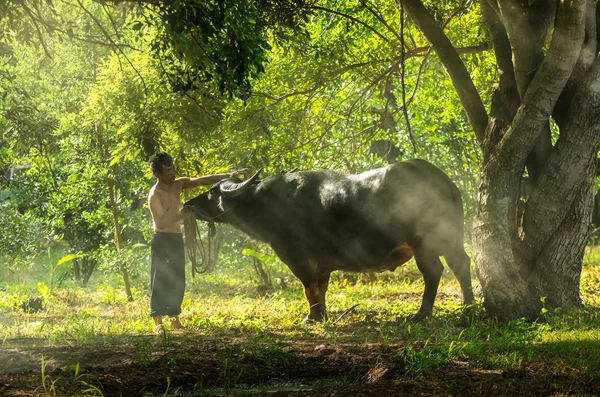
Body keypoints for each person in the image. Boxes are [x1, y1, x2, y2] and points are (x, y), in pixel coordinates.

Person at [147, 152, 247, 331]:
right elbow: (160, 223)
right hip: (163, 240)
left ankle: (174, 317)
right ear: (157, 174)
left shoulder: (178, 184)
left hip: (177, 238)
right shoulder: (155, 194)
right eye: (167, 171)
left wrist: (229, 176)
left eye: (173, 169)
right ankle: (157, 321)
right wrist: (182, 215)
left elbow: (202, 180)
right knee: (161, 278)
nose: (172, 173)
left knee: (177, 278)